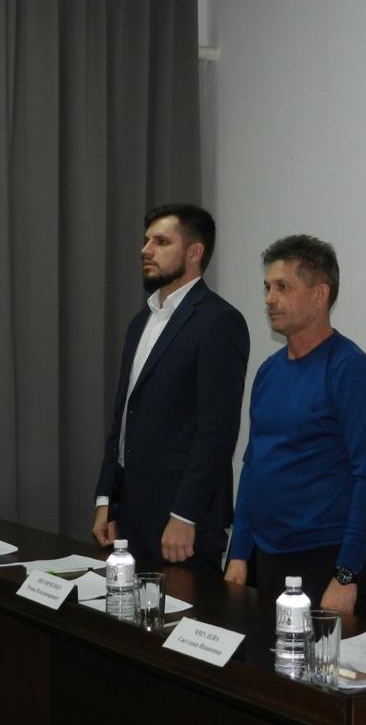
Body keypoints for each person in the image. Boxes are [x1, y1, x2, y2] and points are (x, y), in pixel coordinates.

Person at [224, 235, 366, 618]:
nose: (269, 299)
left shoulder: (352, 371)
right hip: (264, 556)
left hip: (324, 560)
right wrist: (239, 552)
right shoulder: (268, 371)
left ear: (319, 296)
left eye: (283, 287)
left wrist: (346, 573)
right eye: (267, 287)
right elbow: (253, 466)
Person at [92, 203, 250, 573]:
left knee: (183, 612)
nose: (145, 250)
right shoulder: (140, 322)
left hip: (183, 525)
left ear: (194, 252)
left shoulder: (218, 321)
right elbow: (123, 419)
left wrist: (185, 515)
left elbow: (217, 431)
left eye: (161, 242)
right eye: (146, 240)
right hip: (131, 515)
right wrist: (106, 499)